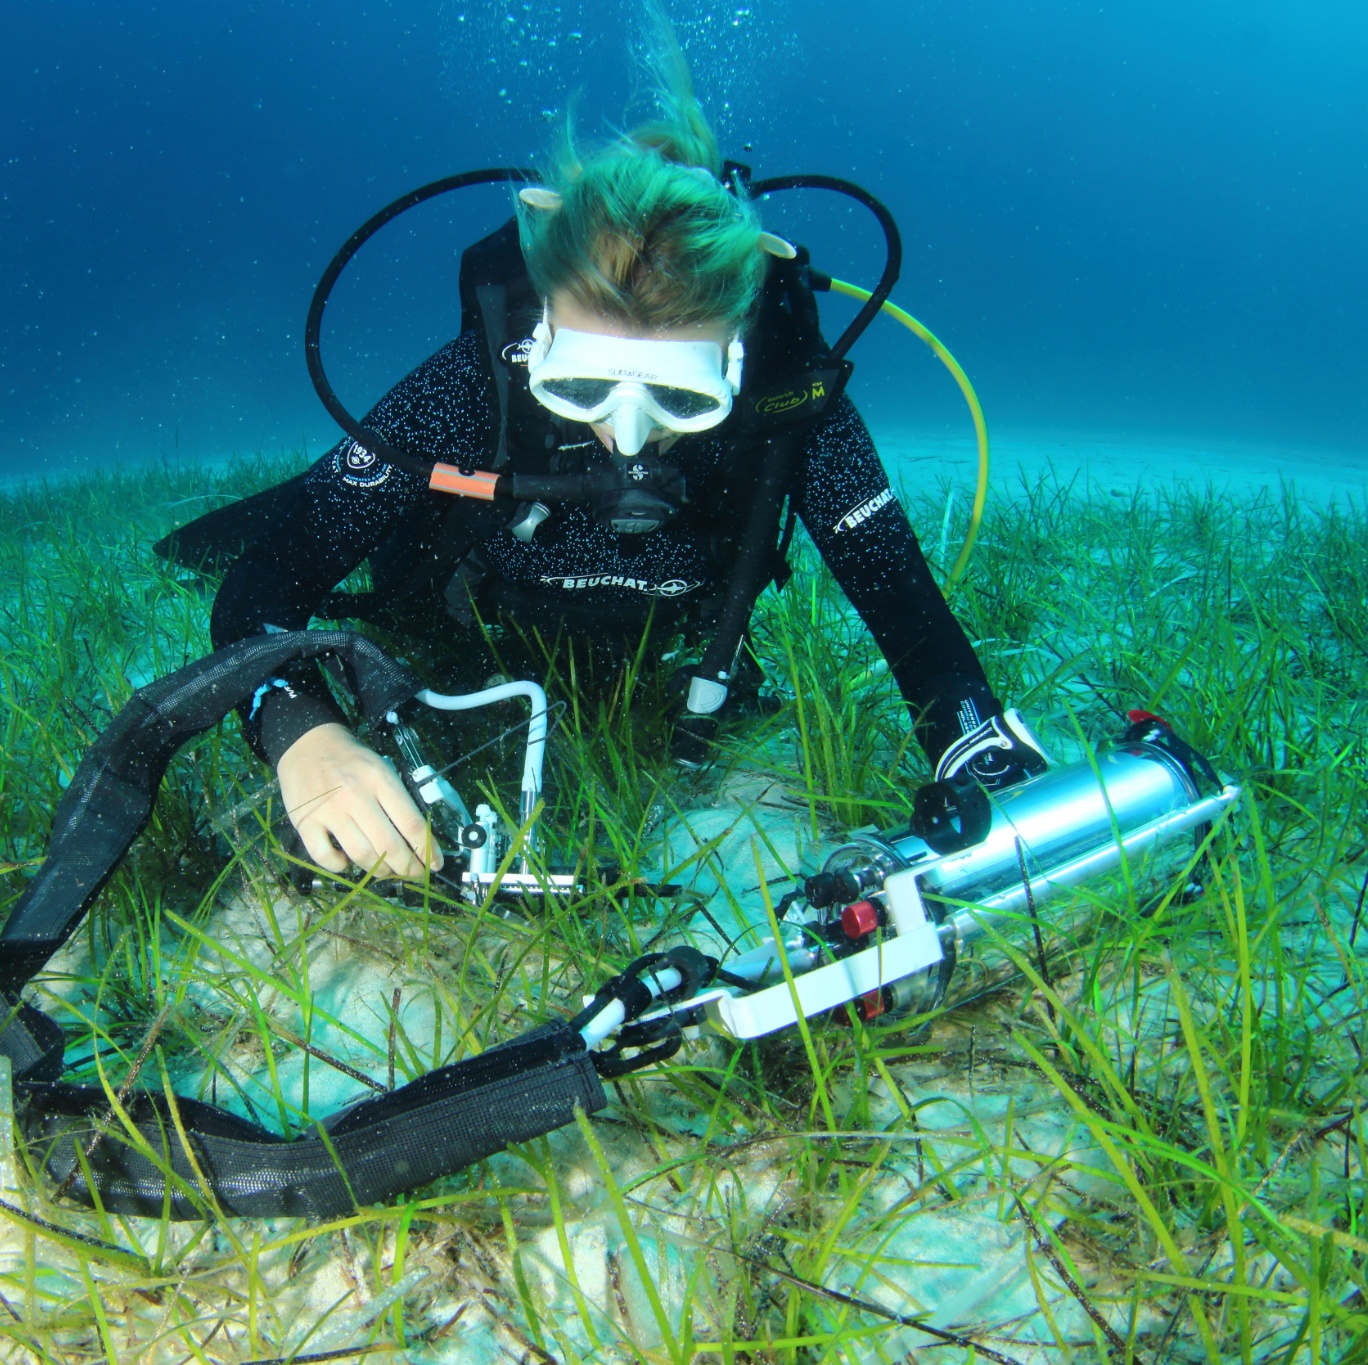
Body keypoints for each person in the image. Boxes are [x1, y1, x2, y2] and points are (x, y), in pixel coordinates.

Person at [194, 37, 1045, 881]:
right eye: (584, 388)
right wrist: (299, 729)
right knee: (272, 527)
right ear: (540, 342)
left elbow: (906, 609)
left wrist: (974, 749)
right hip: (462, 625)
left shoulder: (791, 407)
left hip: (654, 658)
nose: (626, 438)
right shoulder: (472, 381)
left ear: (735, 365)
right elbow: (268, 579)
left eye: (679, 398)